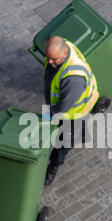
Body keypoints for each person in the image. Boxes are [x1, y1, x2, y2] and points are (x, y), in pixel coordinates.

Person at [42, 36, 99, 185]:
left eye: (54, 59)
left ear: (65, 51)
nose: (49, 62)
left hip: (75, 112)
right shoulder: (61, 48)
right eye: (48, 58)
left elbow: (64, 106)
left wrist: (50, 114)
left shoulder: (73, 78)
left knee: (65, 140)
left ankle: (54, 164)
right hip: (73, 106)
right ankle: (81, 131)